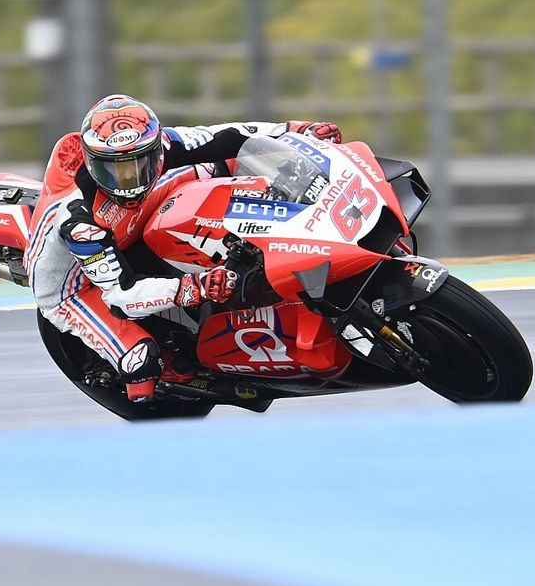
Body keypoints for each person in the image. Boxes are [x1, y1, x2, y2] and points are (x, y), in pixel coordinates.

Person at [25, 94, 342, 402]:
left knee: (219, 164)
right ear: (94, 164)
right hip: (79, 285)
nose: (129, 180)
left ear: (156, 149)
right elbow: (121, 295)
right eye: (116, 170)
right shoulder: (76, 219)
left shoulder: (162, 144)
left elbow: (229, 136)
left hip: (131, 221)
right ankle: (170, 377)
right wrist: (196, 287)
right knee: (141, 363)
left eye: (140, 164)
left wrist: (296, 131)